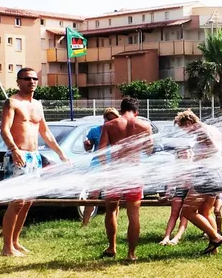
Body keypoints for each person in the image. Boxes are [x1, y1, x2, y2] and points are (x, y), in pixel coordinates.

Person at [0, 68, 70, 257]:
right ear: (18, 81)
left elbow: (45, 132)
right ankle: (7, 247)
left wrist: (61, 153)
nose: (32, 81)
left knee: (28, 202)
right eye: (27, 78)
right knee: (17, 202)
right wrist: (14, 150)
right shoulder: (12, 102)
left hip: (34, 156)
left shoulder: (38, 105)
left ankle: (15, 241)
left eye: (35, 78)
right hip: (18, 155)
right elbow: (4, 130)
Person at [97, 97, 154, 261]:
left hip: (115, 172)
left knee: (111, 210)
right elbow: (149, 150)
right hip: (134, 173)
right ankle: (131, 254)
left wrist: (105, 169)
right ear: (137, 112)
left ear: (121, 110)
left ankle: (112, 247)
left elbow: (101, 151)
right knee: (134, 215)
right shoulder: (144, 126)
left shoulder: (109, 125)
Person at [174, 109, 222, 255]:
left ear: (188, 123)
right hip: (217, 173)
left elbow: (213, 149)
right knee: (205, 212)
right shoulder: (213, 128)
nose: (185, 132)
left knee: (187, 210)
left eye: (184, 128)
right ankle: (214, 249)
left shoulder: (200, 129)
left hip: (206, 174)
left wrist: (197, 160)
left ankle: (215, 237)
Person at [81, 107, 120, 228]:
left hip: (113, 166)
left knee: (113, 196)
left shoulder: (119, 131)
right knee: (93, 195)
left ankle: (114, 223)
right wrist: (87, 145)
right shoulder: (95, 131)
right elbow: (88, 148)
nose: (110, 122)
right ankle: (85, 223)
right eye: (108, 119)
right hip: (97, 166)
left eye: (114, 120)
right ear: (104, 118)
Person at [160, 147, 191, 246]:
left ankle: (177, 237)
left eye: (185, 153)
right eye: (181, 153)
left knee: (184, 215)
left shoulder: (194, 165)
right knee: (174, 213)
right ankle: (166, 236)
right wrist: (168, 193)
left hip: (191, 191)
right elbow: (171, 181)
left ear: (190, 153)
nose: (184, 155)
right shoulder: (176, 167)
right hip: (179, 190)